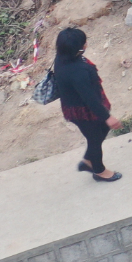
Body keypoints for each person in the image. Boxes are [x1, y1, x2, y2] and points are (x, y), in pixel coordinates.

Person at [52, 27, 121, 182]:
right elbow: (89, 98)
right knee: (95, 139)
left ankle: (88, 161)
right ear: (80, 47)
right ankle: (99, 170)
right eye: (84, 42)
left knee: (100, 131)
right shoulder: (77, 72)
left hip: (75, 106)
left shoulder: (62, 57)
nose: (86, 44)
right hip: (83, 111)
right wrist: (107, 117)